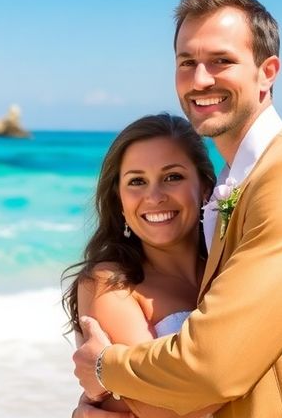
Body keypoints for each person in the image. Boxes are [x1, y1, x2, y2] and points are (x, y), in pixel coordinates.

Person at [71, 0, 282, 417]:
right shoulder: (235, 191)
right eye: (187, 63)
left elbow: (214, 369)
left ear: (267, 72)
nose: (200, 80)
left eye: (221, 61)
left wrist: (104, 368)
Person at [63, 113, 223, 418]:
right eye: (137, 181)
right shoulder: (110, 284)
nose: (154, 196)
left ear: (204, 186)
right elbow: (159, 407)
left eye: (172, 176)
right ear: (119, 199)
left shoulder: (231, 269)